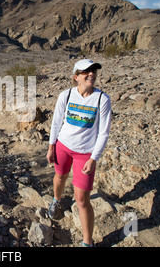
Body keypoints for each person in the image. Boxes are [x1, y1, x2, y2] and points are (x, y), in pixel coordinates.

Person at [46, 59, 112, 247]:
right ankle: (56, 200)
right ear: (76, 77)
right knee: (60, 177)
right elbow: (56, 122)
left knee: (82, 199)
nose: (91, 74)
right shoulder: (65, 96)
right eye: (86, 72)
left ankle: (87, 242)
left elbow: (103, 132)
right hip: (63, 146)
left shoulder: (102, 99)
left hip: (85, 153)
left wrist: (93, 158)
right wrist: (51, 146)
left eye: (93, 71)